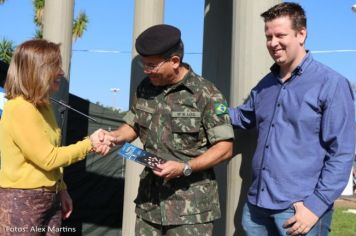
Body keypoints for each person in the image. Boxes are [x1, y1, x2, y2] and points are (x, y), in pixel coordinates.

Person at [228, 2, 355, 236]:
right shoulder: (265, 85)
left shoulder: (331, 84)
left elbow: (343, 152)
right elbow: (241, 117)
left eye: (280, 35)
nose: (273, 43)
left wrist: (315, 206)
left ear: (301, 34)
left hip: (299, 210)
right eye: (268, 36)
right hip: (256, 207)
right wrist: (206, 105)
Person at [106, 24, 234, 235]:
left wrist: (185, 167)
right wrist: (113, 137)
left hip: (190, 213)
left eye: (152, 65)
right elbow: (133, 125)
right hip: (149, 206)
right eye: (143, 64)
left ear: (175, 61)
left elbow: (225, 148)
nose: (147, 71)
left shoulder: (205, 93)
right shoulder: (145, 87)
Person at [0, 39, 114, 235]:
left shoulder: (43, 107)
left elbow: (49, 159)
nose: (61, 72)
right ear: (37, 70)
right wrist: (90, 143)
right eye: (55, 66)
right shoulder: (19, 108)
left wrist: (61, 189)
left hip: (50, 198)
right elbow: (49, 158)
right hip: (21, 202)